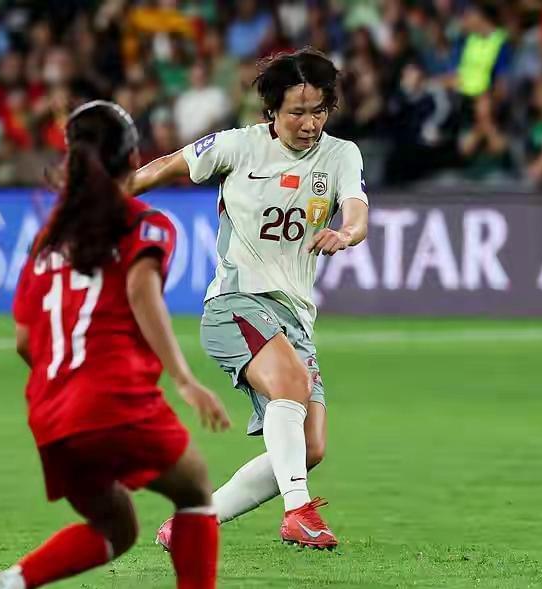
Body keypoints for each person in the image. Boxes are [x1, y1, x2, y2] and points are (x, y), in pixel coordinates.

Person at [0, 100, 252, 589]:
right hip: (116, 398)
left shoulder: (49, 237)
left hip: (50, 412)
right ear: (132, 158)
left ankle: (7, 587)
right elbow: (141, 289)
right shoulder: (143, 222)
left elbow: (23, 339)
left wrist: (67, 392)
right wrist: (184, 378)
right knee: (195, 492)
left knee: (115, 526)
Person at [131, 49, 369, 550]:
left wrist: (345, 234)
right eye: (297, 112)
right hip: (236, 302)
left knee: (309, 447)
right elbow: (166, 166)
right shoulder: (238, 147)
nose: (310, 124)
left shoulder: (340, 154)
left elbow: (356, 213)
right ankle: (298, 513)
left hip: (294, 314)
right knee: (291, 386)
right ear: (271, 109)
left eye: (319, 111)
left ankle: (194, 524)